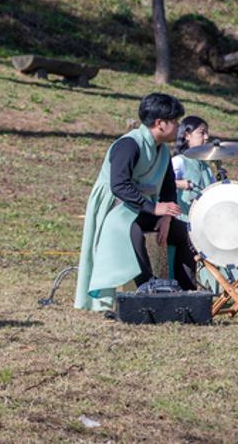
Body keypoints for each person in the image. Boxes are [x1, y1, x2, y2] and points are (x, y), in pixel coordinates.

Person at [74, 93, 198, 311]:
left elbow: (169, 187)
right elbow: (119, 185)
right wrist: (154, 208)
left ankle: (187, 292)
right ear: (160, 124)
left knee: (184, 234)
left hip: (141, 207)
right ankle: (147, 292)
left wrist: (167, 217)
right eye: (175, 121)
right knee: (131, 231)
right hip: (116, 205)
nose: (179, 126)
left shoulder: (163, 152)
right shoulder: (129, 144)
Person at [172, 116, 216, 222]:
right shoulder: (179, 161)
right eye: (202, 133)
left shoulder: (206, 168)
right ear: (187, 135)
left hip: (202, 223)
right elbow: (162, 184)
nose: (206, 137)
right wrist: (179, 184)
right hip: (181, 221)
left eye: (207, 133)